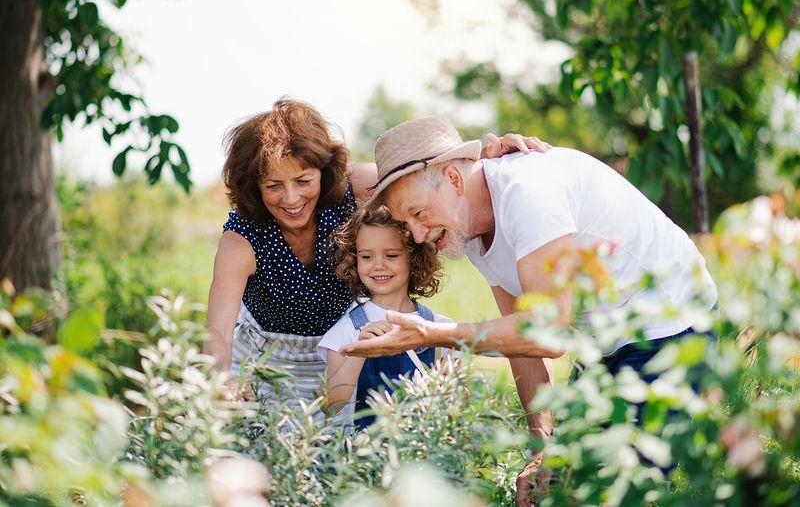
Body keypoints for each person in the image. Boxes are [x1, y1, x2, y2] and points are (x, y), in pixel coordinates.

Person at [339, 116, 718, 505]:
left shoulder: (527, 194)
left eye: (419, 214)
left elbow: (547, 332)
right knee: (562, 486)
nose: (418, 236)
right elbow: (522, 341)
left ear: (454, 179)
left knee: (619, 490)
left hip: (670, 325)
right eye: (407, 223)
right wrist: (541, 449)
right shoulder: (469, 229)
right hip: (607, 339)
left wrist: (433, 335)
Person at [203, 98, 549, 402]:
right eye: (274, 186)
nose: (291, 198)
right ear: (255, 186)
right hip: (267, 357)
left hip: (339, 349)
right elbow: (217, 329)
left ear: (323, 172)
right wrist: (222, 378)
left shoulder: (355, 187)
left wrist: (485, 164)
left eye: (304, 181)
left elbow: (424, 178)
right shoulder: (242, 239)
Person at [316, 207, 454, 428]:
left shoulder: (437, 327)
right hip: (367, 456)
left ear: (414, 257)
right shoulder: (348, 330)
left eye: (391, 255)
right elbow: (329, 404)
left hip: (424, 455)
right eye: (366, 256)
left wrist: (451, 387)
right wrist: (359, 351)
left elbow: (456, 403)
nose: (378, 265)